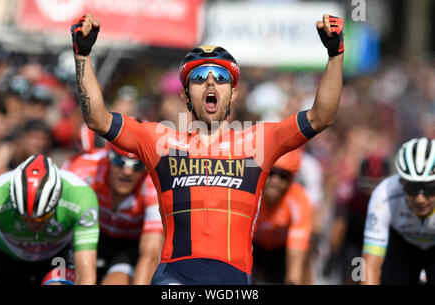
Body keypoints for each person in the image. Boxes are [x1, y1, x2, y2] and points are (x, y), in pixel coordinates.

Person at [71, 13, 344, 284]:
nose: (211, 82)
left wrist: (335, 55)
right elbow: (98, 118)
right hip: (174, 274)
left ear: (234, 93)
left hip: (233, 277)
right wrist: (83, 55)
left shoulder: (257, 142)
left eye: (221, 76)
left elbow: (321, 117)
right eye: (199, 76)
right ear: (185, 94)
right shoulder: (160, 141)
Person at [0, 154, 99, 285]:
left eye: (42, 218)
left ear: (57, 199)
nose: (32, 226)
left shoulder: (80, 197)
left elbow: (86, 278)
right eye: (24, 218)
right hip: (5, 253)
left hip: (56, 255)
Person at [63, 141, 164, 284]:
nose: (127, 172)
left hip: (128, 247)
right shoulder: (85, 168)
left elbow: (150, 255)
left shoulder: (154, 184)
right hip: (89, 236)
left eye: (137, 165)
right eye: (119, 161)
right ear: (108, 157)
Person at [361, 138, 435, 285]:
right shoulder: (384, 195)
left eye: (429, 189)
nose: (420, 199)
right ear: (401, 183)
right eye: (412, 189)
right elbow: (369, 264)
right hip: (402, 247)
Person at [323, 154, 390, 284]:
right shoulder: (348, 191)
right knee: (353, 276)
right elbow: (339, 226)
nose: (371, 191)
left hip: (383, 235)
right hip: (355, 238)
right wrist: (332, 256)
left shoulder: (394, 193)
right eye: (367, 185)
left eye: (377, 185)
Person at [252, 149, 312, 285]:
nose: (275, 181)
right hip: (253, 248)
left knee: (306, 262)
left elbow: (296, 263)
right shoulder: (250, 193)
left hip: (282, 251)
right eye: (271, 173)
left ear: (291, 180)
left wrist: (293, 280)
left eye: (283, 176)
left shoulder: (298, 200)